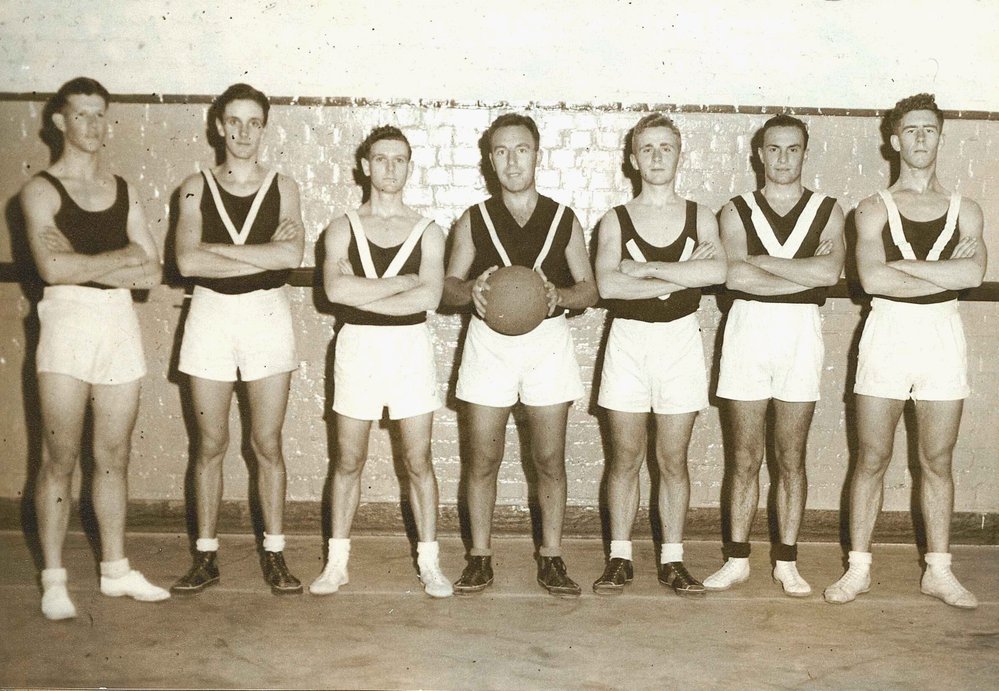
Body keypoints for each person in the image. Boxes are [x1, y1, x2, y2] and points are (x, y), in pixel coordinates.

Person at [825, 94, 985, 609]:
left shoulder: (968, 210)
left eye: (930, 130)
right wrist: (942, 275)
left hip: (942, 335)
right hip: (887, 333)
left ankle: (938, 571)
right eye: (911, 130)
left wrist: (905, 272)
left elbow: (973, 275)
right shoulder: (871, 208)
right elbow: (871, 279)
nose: (920, 138)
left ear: (940, 137)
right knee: (872, 457)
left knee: (936, 459)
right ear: (894, 141)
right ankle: (859, 569)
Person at [20, 77, 169, 620]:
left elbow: (151, 271)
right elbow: (53, 269)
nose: (92, 125)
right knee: (58, 459)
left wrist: (94, 263)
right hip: (64, 320)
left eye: (100, 115)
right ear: (59, 121)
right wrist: (120, 256)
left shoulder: (122, 188)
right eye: (81, 115)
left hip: (117, 325)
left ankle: (115, 570)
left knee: (113, 456)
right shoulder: (39, 191)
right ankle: (54, 578)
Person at [442, 113, 598, 596]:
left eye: (522, 149)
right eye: (502, 151)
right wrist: (470, 290)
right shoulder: (474, 218)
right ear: (491, 160)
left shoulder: (562, 218)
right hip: (488, 344)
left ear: (537, 155)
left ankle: (551, 556)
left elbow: (589, 288)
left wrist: (560, 298)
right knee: (482, 458)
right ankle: (480, 558)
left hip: (547, 343)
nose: (512, 160)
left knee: (549, 457)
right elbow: (445, 289)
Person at [171, 83, 305, 595]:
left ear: (264, 128)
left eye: (255, 123)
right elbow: (186, 261)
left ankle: (274, 552)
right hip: (208, 315)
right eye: (235, 121)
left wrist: (219, 251)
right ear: (219, 126)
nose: (244, 132)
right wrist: (261, 252)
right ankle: (205, 556)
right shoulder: (193, 186)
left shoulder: (283, 186)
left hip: (267, 314)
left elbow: (291, 257)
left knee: (266, 443)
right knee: (209, 444)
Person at [707, 114, 845, 596]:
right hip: (747, 331)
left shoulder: (828, 209)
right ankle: (738, 558)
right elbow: (733, 277)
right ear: (758, 154)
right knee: (744, 457)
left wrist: (761, 262)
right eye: (774, 149)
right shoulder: (735, 209)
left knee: (791, 457)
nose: (783, 158)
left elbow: (830, 273)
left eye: (793, 149)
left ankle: (787, 561)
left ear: (804, 154)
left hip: (800, 335)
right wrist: (799, 272)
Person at [310, 126, 452, 598]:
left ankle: (430, 563)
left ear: (409, 167)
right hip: (357, 347)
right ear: (365, 166)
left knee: (418, 460)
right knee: (348, 459)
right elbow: (334, 292)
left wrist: (365, 292)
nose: (390, 168)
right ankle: (337, 564)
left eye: (400, 160)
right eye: (381, 159)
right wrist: (403, 283)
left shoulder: (428, 231)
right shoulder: (340, 227)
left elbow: (428, 298)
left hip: (409, 347)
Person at [592, 114, 726, 596]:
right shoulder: (616, 219)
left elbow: (715, 273)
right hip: (628, 339)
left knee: (673, 459)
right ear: (632, 158)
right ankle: (620, 557)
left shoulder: (700, 215)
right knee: (624, 457)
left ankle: (672, 560)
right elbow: (609, 284)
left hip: (680, 340)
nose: (655, 157)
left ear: (679, 155)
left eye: (665, 148)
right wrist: (680, 273)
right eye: (646, 148)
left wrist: (644, 270)